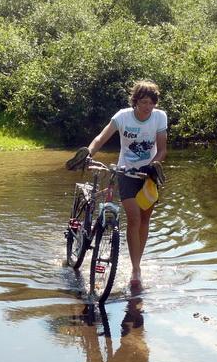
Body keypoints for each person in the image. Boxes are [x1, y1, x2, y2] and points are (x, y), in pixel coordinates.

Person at [67, 80, 167, 288]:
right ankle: (136, 270)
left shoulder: (159, 117)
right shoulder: (122, 117)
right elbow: (100, 138)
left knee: (145, 219)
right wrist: (89, 153)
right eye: (143, 102)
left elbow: (162, 149)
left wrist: (153, 165)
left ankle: (135, 265)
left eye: (151, 103)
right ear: (135, 101)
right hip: (125, 172)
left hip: (148, 175)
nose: (147, 107)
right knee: (133, 217)